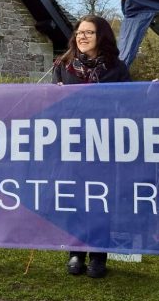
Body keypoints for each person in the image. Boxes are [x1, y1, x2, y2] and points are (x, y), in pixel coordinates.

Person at [53, 15, 131, 279]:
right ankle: (76, 251)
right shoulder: (63, 65)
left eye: (89, 32)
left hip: (104, 143)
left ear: (102, 37)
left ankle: (99, 254)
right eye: (79, 32)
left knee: (99, 198)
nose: (82, 36)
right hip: (72, 142)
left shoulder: (117, 68)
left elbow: (129, 105)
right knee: (75, 198)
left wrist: (149, 93)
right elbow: (53, 106)